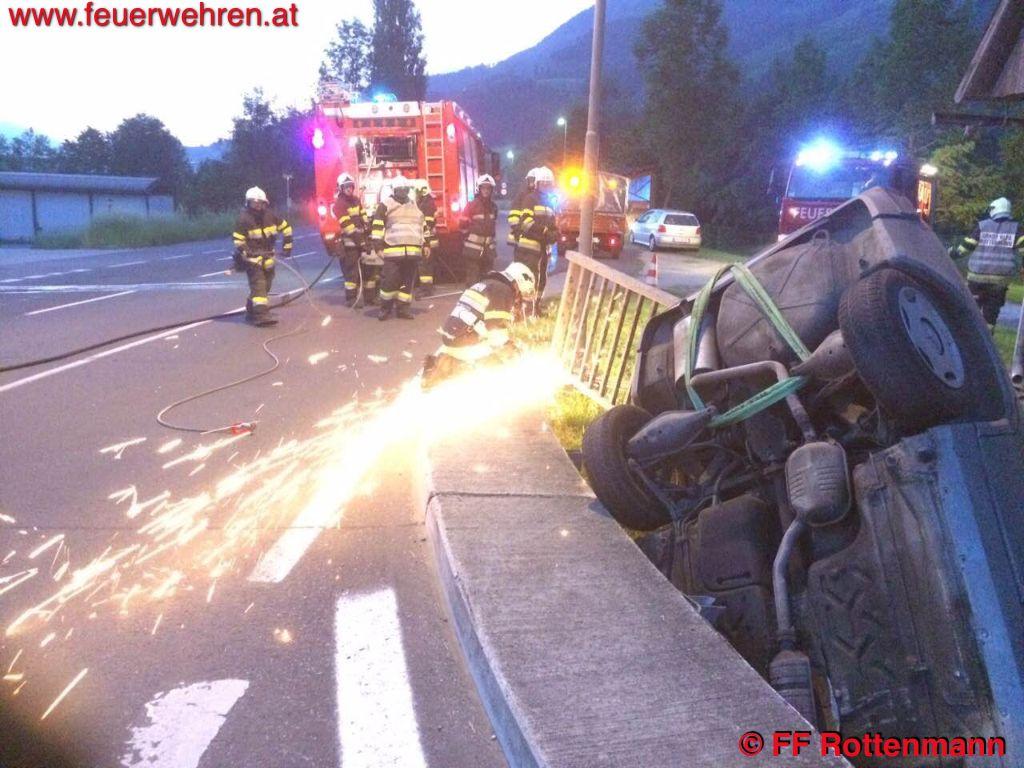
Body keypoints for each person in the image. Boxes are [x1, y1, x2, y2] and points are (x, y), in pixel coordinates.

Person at [422, 262, 537, 385]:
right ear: (517, 283)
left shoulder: (485, 284)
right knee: (505, 352)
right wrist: (514, 348)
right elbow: (496, 331)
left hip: (453, 336)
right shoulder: (502, 291)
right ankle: (455, 370)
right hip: (463, 339)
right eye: (520, 294)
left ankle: (442, 365)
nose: (518, 299)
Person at [955, 197, 1024, 329]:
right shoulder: (1016, 229)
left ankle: (969, 335)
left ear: (994, 209)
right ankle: (987, 337)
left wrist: (949, 253)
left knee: (971, 312)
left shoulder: (982, 226)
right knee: (991, 314)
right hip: (999, 282)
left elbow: (964, 249)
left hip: (976, 279)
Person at [231, 186, 293, 326]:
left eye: (260, 203)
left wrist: (287, 247)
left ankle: (251, 309)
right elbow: (238, 240)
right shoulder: (243, 219)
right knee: (259, 284)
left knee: (266, 285)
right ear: (248, 203)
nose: (258, 206)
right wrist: (247, 251)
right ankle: (261, 315)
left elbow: (287, 229)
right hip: (252, 260)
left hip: (268, 257)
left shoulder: (270, 216)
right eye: (254, 203)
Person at [370, 175, 428, 321]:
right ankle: (385, 309)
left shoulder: (413, 204)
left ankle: (403, 309)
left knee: (407, 283)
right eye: (400, 190)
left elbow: (423, 225)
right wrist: (378, 247)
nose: (403, 192)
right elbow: (377, 226)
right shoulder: (386, 205)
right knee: (389, 282)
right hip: (392, 252)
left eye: (405, 190)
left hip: (413, 252)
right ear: (394, 190)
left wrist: (426, 244)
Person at [508, 165, 557, 313]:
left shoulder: (550, 203)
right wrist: (543, 232)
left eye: (548, 184)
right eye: (543, 183)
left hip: (543, 249)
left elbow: (553, 225)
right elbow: (526, 222)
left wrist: (554, 235)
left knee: (541, 279)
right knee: (528, 279)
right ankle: (524, 311)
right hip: (529, 249)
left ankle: (535, 308)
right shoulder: (530, 199)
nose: (546, 186)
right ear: (537, 184)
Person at [332, 173, 367, 305]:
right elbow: (348, 228)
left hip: (360, 241)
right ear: (341, 188)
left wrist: (368, 230)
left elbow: (363, 217)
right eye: (346, 186)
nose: (349, 189)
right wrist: (362, 242)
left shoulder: (356, 200)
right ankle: (351, 299)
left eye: (351, 186)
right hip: (349, 245)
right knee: (351, 272)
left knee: (368, 269)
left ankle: (369, 298)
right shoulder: (339, 205)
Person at [460, 174, 498, 287]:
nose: (486, 190)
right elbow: (462, 226)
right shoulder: (471, 205)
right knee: (473, 279)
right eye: (483, 188)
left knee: (487, 279)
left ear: (491, 190)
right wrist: (469, 239)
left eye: (488, 188)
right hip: (473, 250)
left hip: (488, 250)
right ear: (479, 189)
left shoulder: (493, 207)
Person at [415, 181, 439, 297]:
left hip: (427, 240)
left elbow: (427, 223)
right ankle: (427, 287)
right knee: (427, 264)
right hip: (429, 239)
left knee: (424, 264)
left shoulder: (426, 204)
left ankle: (426, 289)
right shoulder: (428, 202)